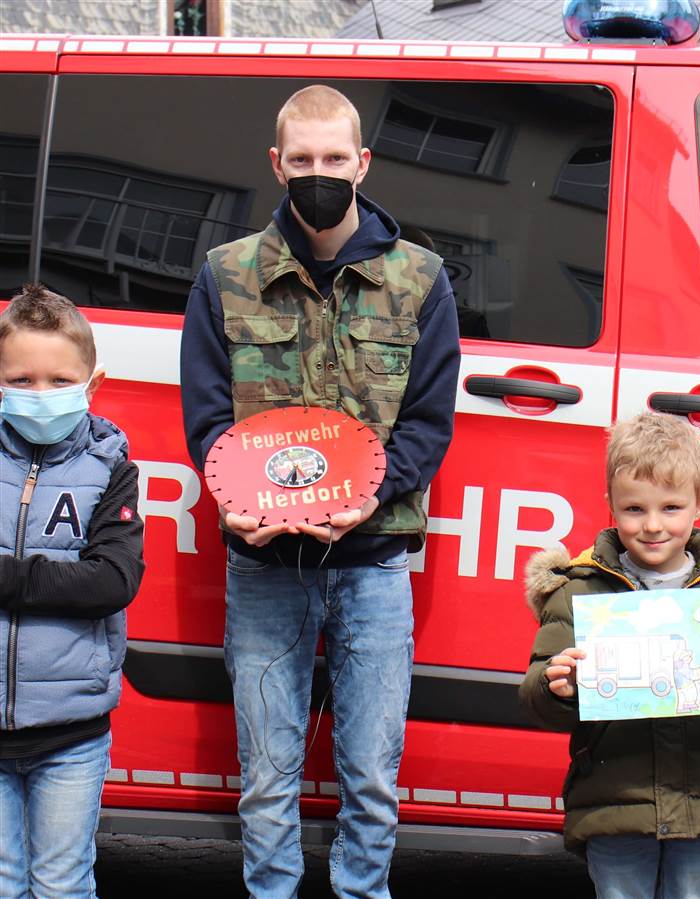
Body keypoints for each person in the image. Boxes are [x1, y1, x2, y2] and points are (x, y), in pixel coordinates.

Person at [180, 85, 460, 898]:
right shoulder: (225, 276)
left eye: (334, 159)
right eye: (301, 160)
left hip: (373, 564)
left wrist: (375, 495)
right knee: (266, 777)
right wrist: (232, 499)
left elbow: (429, 422)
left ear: (362, 162)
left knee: (370, 775)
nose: (318, 174)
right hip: (264, 563)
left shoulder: (420, 280)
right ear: (277, 164)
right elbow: (206, 418)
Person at [519, 411, 700, 899]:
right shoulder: (580, 591)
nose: (652, 526)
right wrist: (555, 686)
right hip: (613, 800)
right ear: (610, 506)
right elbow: (536, 692)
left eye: (671, 508)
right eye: (635, 510)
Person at [0, 284, 145, 898]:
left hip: (72, 733)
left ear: (94, 382)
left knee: (61, 884)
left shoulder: (113, 468)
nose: (40, 395)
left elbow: (111, 581)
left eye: (59, 380)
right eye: (21, 380)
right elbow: (77, 579)